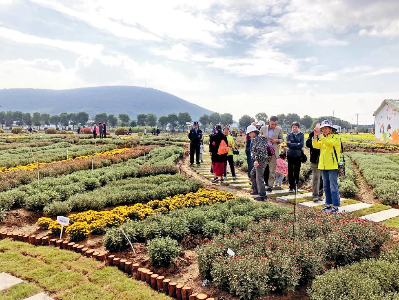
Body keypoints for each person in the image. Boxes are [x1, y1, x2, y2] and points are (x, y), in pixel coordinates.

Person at [312, 120, 342, 213]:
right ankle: (328, 205)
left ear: (330, 129)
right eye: (322, 128)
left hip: (332, 166)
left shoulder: (336, 137)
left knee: (333, 187)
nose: (324, 130)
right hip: (323, 166)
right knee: (326, 187)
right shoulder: (323, 138)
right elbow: (316, 145)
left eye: (326, 128)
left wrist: (321, 136)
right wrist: (315, 135)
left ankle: (335, 206)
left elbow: (330, 143)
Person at [260, 116, 284, 192]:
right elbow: (259, 138)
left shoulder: (279, 129)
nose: (274, 126)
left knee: (272, 170)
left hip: (274, 151)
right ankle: (261, 184)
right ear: (269, 121)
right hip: (264, 151)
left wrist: (276, 140)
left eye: (275, 124)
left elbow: (282, 139)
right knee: (262, 168)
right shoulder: (263, 128)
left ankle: (270, 186)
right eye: (272, 124)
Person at [247, 124, 270, 201]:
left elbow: (260, 151)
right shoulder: (259, 138)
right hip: (262, 160)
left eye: (249, 133)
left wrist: (256, 160)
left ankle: (262, 195)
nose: (249, 135)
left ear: (253, 132)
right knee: (252, 174)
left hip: (260, 160)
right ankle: (256, 190)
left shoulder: (258, 139)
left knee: (259, 177)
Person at [306, 125, 324, 202]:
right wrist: (315, 136)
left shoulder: (324, 135)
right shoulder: (311, 135)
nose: (317, 130)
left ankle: (320, 194)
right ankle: (315, 195)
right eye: (316, 129)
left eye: (319, 129)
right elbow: (308, 144)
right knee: (316, 177)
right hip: (314, 159)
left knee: (322, 178)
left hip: (323, 159)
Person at [286, 121, 304, 193]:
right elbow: (288, 144)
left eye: (296, 127)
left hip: (298, 155)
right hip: (290, 154)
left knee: (297, 171)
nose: (294, 128)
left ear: (298, 128)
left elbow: (301, 144)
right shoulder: (289, 134)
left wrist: (293, 144)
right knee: (290, 171)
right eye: (293, 127)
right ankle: (291, 186)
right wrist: (297, 144)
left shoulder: (301, 135)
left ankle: (296, 185)